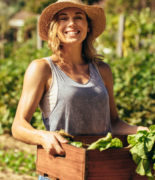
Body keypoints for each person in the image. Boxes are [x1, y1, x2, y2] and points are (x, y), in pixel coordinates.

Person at [11, 0, 149, 179]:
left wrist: (144, 131)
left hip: (100, 170)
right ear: (55, 27)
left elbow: (113, 123)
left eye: (78, 17)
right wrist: (42, 136)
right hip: (61, 169)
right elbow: (18, 125)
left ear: (88, 26)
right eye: (63, 18)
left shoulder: (103, 70)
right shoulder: (42, 68)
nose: (71, 23)